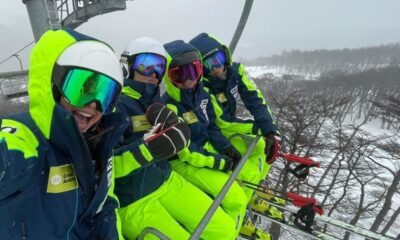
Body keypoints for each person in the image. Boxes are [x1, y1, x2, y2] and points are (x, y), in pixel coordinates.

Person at [0, 29, 189, 240]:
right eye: (81, 89)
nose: (93, 104)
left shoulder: (99, 142)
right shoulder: (26, 141)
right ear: (52, 84)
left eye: (104, 94)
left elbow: (104, 208)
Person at [114, 37, 236, 240]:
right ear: (128, 65)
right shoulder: (116, 105)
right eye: (146, 65)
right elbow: (105, 166)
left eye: (160, 67)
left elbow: (183, 140)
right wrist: (146, 148)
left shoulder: (158, 104)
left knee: (223, 229)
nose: (154, 73)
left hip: (166, 179)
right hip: (135, 200)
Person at [162, 40, 271, 240]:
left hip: (205, 151)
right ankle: (227, 227)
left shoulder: (201, 95)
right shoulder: (170, 107)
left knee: (248, 173)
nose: (188, 81)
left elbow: (212, 126)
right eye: (180, 75)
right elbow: (185, 150)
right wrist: (218, 161)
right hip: (184, 162)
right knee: (235, 196)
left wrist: (226, 148)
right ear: (169, 78)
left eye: (193, 72)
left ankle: (235, 219)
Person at [189, 33, 281, 179]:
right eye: (208, 64)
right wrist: (256, 128)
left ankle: (259, 184)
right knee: (255, 151)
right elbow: (221, 122)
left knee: (265, 148)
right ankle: (248, 183)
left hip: (229, 124)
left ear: (225, 55)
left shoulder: (236, 72)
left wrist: (268, 128)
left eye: (218, 59)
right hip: (218, 130)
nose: (216, 67)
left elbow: (254, 98)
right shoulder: (203, 87)